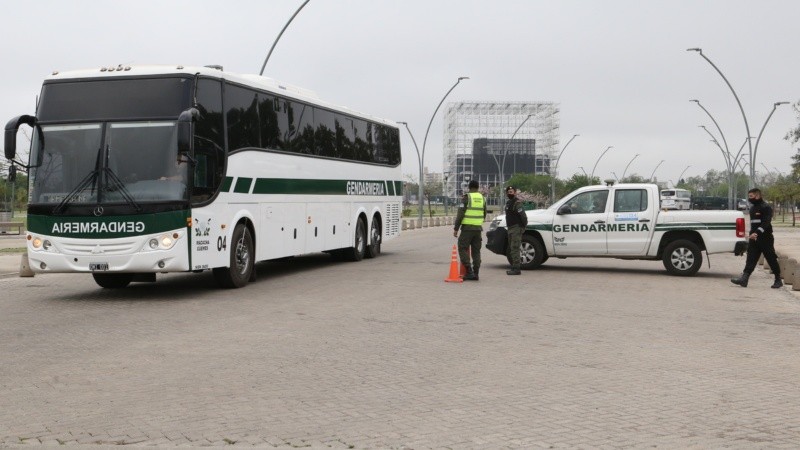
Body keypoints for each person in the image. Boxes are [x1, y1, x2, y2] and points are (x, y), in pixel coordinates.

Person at [731, 188, 782, 288]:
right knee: (751, 258)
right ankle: (744, 279)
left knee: (771, 258)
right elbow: (753, 224)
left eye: (751, 196)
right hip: (754, 238)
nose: (749, 198)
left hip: (765, 238)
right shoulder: (753, 208)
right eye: (749, 196)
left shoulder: (766, 207)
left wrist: (757, 233)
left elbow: (766, 222)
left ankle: (778, 279)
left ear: (757, 196)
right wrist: (751, 234)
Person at [453, 180, 486, 281]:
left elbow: (460, 215)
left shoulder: (467, 197)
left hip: (467, 228)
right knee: (476, 251)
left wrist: (456, 228)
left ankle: (469, 271)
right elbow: (484, 213)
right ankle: (476, 273)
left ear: (469, 187)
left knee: (462, 248)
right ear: (478, 187)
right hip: (478, 229)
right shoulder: (482, 198)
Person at [504, 185, 526, 275]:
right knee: (511, 248)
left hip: (516, 228)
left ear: (515, 193)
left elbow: (523, 216)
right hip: (510, 228)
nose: (510, 193)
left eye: (511, 192)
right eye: (508, 192)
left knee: (515, 248)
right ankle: (514, 266)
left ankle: (517, 268)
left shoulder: (517, 203)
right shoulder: (508, 203)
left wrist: (523, 227)